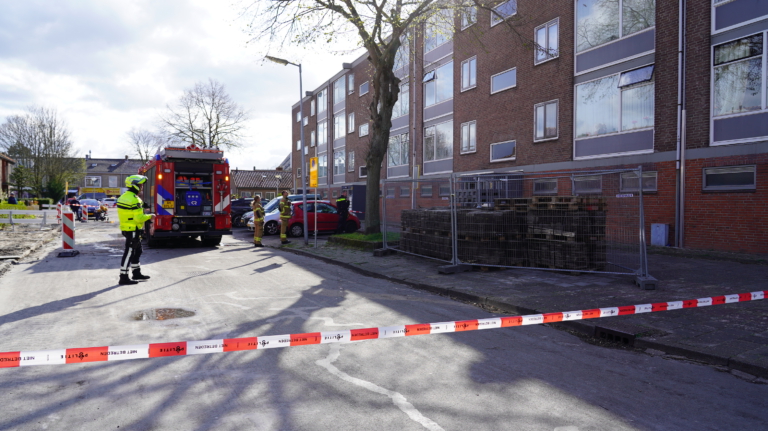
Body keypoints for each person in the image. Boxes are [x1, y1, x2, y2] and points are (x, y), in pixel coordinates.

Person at [117, 175, 155, 285]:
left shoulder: (124, 196)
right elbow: (138, 218)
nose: (142, 187)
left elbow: (131, 212)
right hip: (133, 228)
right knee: (129, 252)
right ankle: (123, 277)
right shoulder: (135, 199)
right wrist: (150, 216)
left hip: (127, 228)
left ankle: (136, 273)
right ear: (135, 185)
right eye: (140, 185)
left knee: (137, 250)